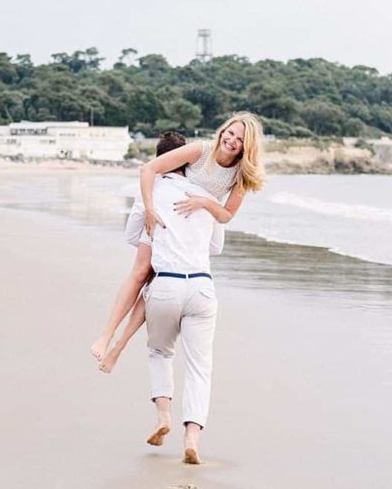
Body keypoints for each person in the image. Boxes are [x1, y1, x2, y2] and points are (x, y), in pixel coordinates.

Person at [92, 112, 266, 372]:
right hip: (162, 217)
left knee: (154, 284)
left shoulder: (241, 174)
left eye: (239, 139)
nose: (231, 140)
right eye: (230, 132)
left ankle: (120, 346)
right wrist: (149, 210)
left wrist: (206, 202)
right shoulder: (200, 150)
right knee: (140, 272)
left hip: (189, 232)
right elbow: (148, 169)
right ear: (223, 130)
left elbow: (227, 215)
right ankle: (106, 336)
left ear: (247, 146)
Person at [141, 163, 223, 464]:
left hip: (166, 284)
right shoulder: (209, 196)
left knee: (160, 353)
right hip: (201, 285)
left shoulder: (153, 190)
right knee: (200, 367)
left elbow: (133, 233)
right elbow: (216, 247)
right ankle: (192, 437)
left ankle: (163, 415)